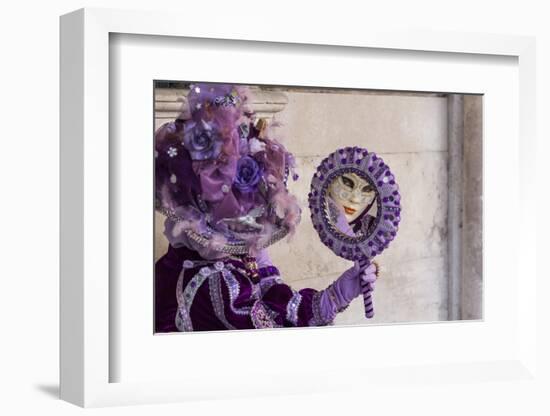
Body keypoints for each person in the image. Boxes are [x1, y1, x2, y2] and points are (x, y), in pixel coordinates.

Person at [154, 83, 378, 332]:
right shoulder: (216, 281)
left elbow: (272, 293)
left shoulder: (187, 261)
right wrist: (333, 298)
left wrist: (336, 296)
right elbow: (273, 330)